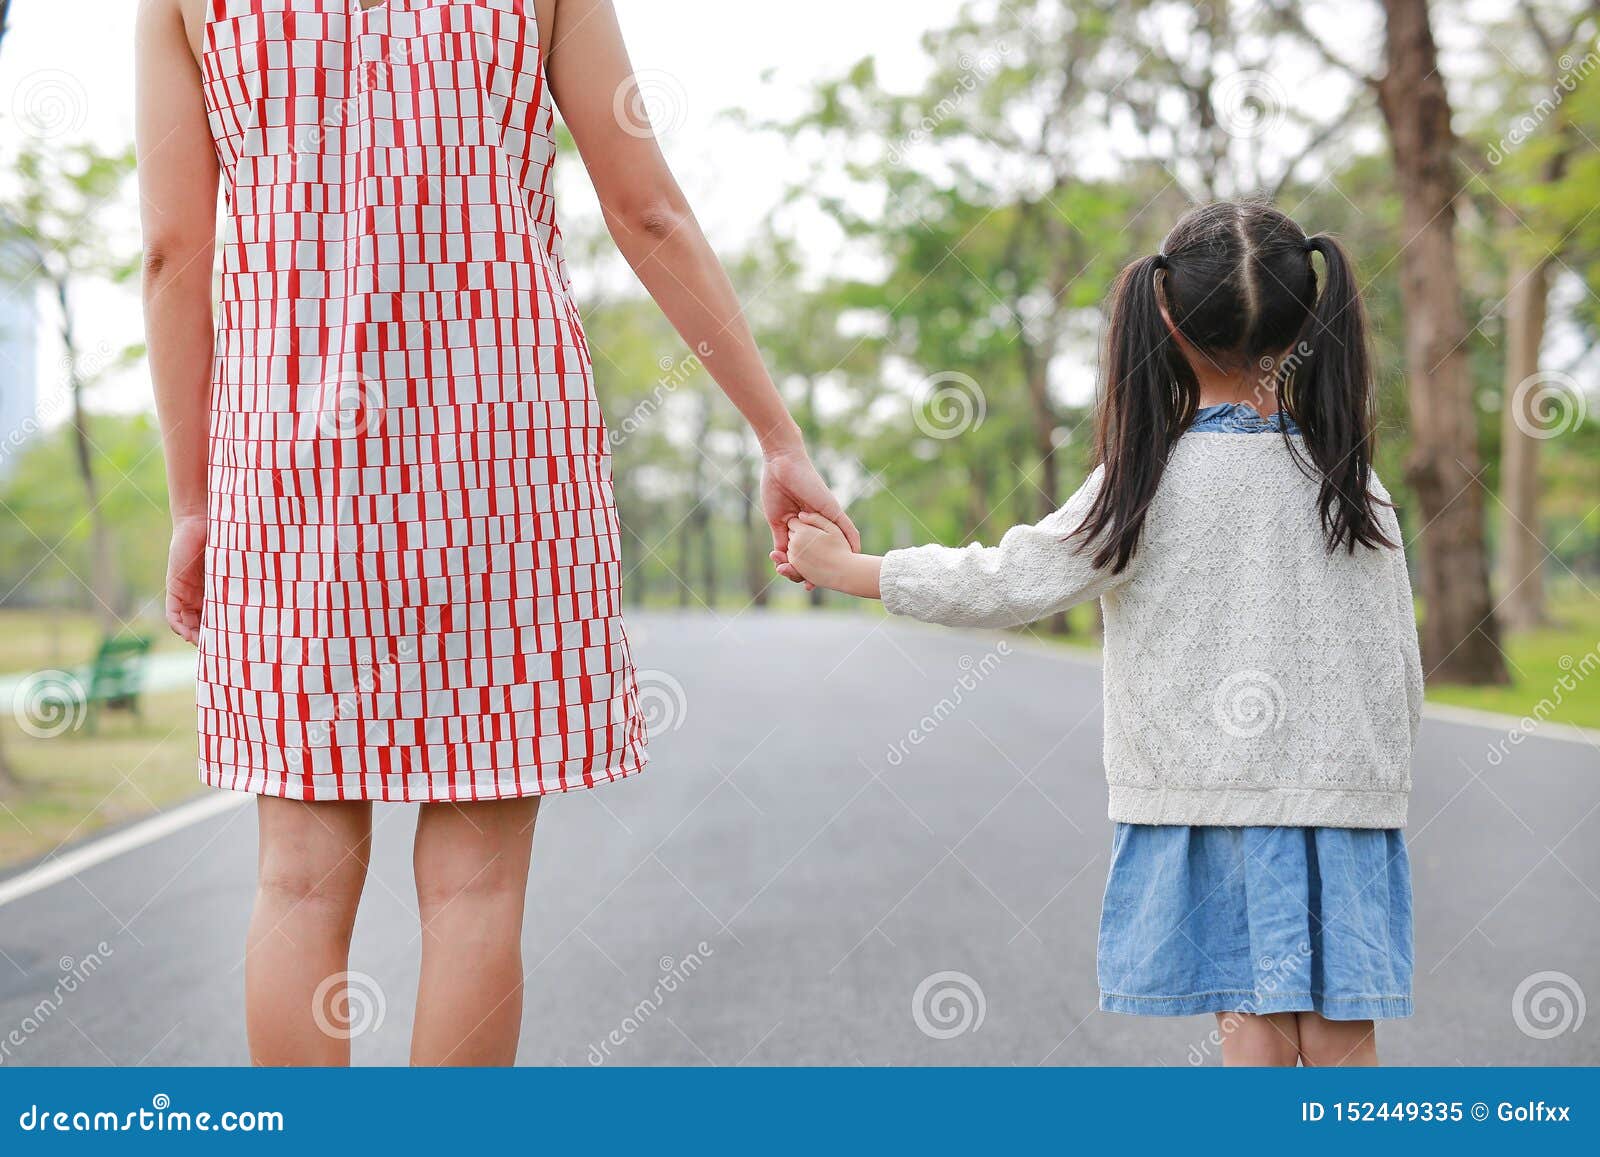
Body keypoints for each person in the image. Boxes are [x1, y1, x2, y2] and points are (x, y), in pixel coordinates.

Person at [135, 0, 853, 1066]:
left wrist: (193, 500)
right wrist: (775, 430)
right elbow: (645, 208)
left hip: (287, 467)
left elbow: (173, 249)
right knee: (476, 886)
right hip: (505, 457)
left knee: (295, 876)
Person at [779, 200, 1421, 1067]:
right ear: (1310, 313)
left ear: (1163, 313)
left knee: (1251, 1025)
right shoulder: (1351, 480)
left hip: (1212, 799)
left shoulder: (1147, 482)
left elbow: (1012, 579)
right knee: (1344, 1035)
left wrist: (856, 571)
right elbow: (1397, 664)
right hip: (1344, 810)